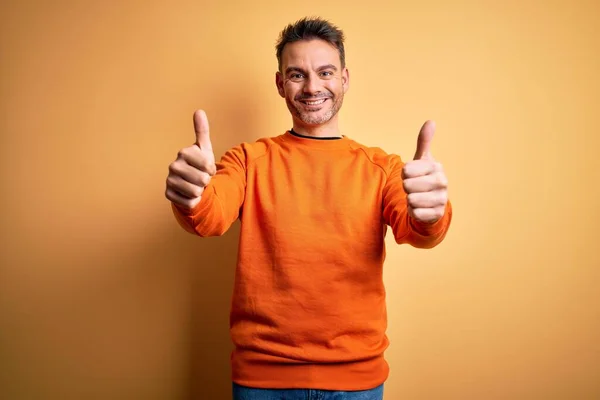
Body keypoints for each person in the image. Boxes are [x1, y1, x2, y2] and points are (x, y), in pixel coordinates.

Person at [165, 17, 452, 400]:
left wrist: (431, 213)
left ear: (345, 79)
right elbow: (208, 217)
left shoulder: (382, 168)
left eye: (325, 72)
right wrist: (190, 196)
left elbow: (417, 230)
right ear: (281, 84)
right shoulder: (249, 160)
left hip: (357, 383)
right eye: (297, 74)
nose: (313, 86)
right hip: (262, 380)